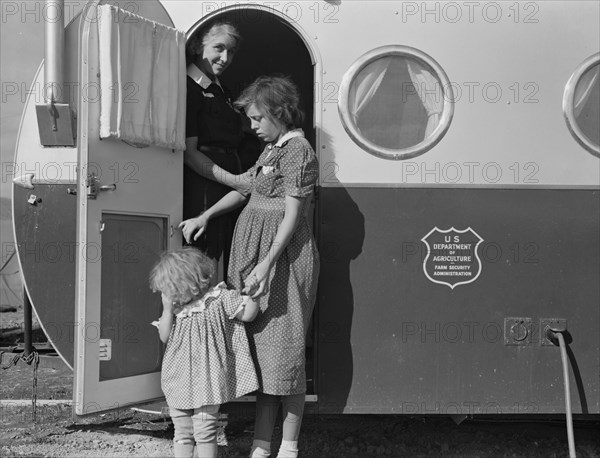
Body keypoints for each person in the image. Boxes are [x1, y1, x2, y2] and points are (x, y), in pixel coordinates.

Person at [179, 76, 319, 458]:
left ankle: (287, 447)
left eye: (258, 118)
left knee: (285, 355)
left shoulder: (298, 150)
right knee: (262, 356)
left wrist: (267, 264)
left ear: (279, 112)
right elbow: (246, 189)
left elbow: (293, 215)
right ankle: (260, 445)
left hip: (283, 262)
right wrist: (204, 215)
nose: (252, 126)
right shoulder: (272, 149)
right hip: (257, 261)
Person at [150, 247, 259, 458]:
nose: (165, 295)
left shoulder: (219, 298)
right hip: (178, 380)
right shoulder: (175, 311)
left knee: (205, 431)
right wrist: (165, 309)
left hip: (208, 381)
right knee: (182, 432)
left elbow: (248, 315)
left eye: (168, 289)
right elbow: (164, 336)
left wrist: (254, 295)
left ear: (186, 284)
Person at [184, 21, 258, 276]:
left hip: (229, 186)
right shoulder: (189, 87)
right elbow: (189, 152)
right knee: (205, 258)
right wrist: (235, 181)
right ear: (196, 46)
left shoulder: (220, 90)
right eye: (218, 48)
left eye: (231, 51)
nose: (225, 58)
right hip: (206, 185)